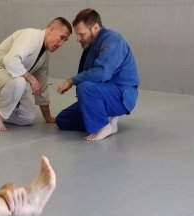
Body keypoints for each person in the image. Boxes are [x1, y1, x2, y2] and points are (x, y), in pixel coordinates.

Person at [55, 9, 140, 141]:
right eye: (77, 35)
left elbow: (102, 73)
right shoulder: (91, 44)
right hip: (102, 93)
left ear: (95, 28)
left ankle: (104, 126)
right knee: (63, 120)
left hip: (120, 96)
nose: (78, 39)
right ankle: (107, 120)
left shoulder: (113, 39)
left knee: (85, 87)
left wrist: (72, 81)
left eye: (81, 34)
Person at [0, 18, 72, 131]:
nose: (61, 44)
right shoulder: (31, 36)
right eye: (62, 37)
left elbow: (42, 86)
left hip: (11, 82)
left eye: (65, 41)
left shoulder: (44, 56)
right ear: (51, 28)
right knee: (20, 82)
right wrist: (31, 79)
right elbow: (10, 60)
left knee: (28, 118)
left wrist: (48, 117)